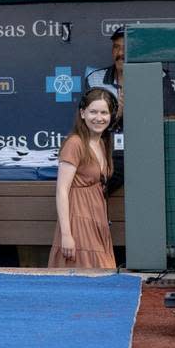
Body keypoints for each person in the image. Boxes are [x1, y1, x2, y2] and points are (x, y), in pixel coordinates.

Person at [85, 27, 175, 196]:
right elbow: (87, 125)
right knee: (81, 179)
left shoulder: (157, 75)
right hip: (105, 149)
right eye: (116, 47)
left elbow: (170, 120)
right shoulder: (95, 78)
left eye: (126, 47)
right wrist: (117, 114)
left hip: (143, 150)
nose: (120, 53)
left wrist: (137, 114)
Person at [50, 87, 118, 270]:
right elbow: (62, 190)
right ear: (82, 113)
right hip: (78, 217)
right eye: (93, 112)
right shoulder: (75, 143)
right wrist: (66, 234)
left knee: (102, 270)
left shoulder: (103, 143)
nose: (99, 117)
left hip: (96, 216)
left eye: (104, 112)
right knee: (86, 270)